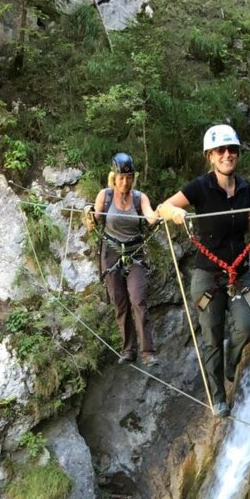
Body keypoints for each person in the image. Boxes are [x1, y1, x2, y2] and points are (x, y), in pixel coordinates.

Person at [156, 124, 250, 417]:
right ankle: (219, 398)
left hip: (238, 272)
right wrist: (178, 213)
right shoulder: (200, 187)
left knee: (248, 325)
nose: (227, 155)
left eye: (232, 149)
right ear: (210, 156)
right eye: (221, 150)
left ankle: (231, 362)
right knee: (211, 337)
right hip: (208, 275)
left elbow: (240, 227)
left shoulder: (244, 187)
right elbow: (162, 208)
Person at [89, 152, 159, 366]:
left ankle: (148, 352)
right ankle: (129, 350)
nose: (125, 182)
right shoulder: (105, 195)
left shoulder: (140, 198)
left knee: (138, 299)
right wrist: (89, 215)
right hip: (111, 255)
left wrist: (158, 216)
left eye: (129, 178)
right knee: (120, 303)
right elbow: (95, 217)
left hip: (135, 254)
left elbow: (149, 217)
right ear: (114, 177)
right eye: (121, 178)